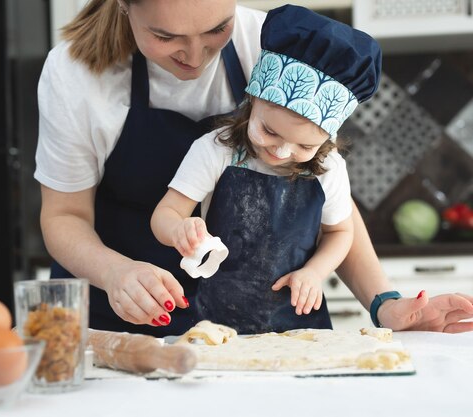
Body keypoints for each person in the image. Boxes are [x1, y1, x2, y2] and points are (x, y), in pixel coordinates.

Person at [35, 0, 473, 337]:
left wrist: (385, 304)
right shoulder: (75, 73)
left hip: (264, 327)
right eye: (166, 36)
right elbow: (64, 216)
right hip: (127, 321)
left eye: (216, 29)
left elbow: (330, 207)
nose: (194, 56)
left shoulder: (271, 45)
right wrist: (116, 274)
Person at [150, 4, 375, 333]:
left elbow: (341, 233)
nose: (282, 151)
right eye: (270, 132)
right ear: (252, 102)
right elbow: (165, 215)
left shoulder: (328, 167)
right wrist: (178, 231)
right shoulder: (216, 150)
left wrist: (314, 272)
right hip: (215, 323)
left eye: (305, 146)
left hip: (302, 330)